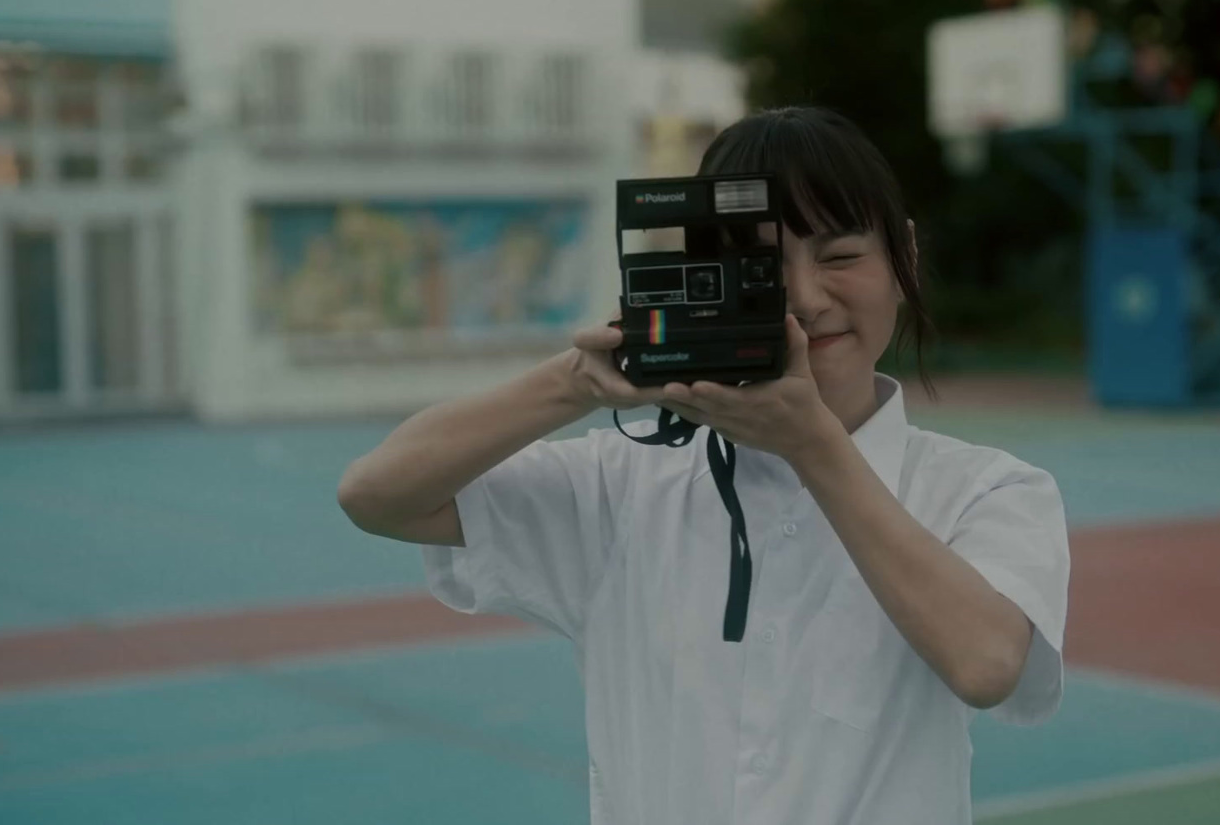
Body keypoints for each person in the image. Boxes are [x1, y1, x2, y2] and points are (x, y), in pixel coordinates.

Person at [337, 106, 1070, 825]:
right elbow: (376, 494)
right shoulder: (620, 483)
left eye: (841, 255)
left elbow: (985, 663)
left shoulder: (987, 490)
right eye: (763, 265)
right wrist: (573, 381)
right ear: (704, 275)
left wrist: (813, 446)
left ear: (904, 255)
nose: (808, 299)